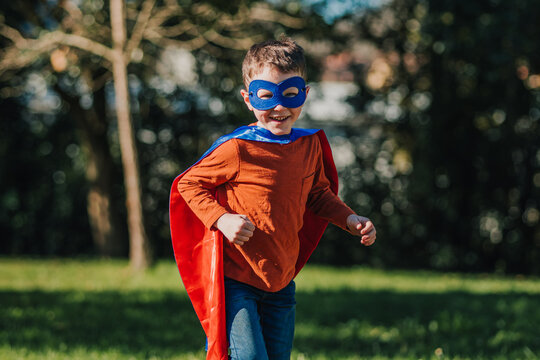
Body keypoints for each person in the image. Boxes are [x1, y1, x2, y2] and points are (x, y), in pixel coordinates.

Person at [169, 38, 376, 360]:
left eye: (290, 94)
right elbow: (190, 184)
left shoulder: (308, 147)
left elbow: (319, 195)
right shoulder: (237, 148)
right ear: (248, 100)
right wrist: (222, 219)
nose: (279, 107)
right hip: (237, 280)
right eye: (266, 96)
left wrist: (350, 219)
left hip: (281, 281)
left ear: (304, 94)